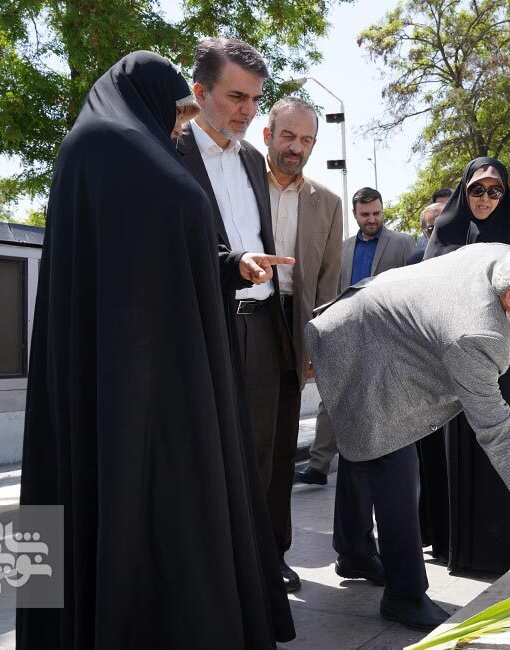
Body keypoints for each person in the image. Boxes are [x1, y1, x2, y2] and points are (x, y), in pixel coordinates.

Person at [17, 51, 295, 649]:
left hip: (141, 358)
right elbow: (156, 242)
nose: (179, 124)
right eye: (178, 111)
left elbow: (159, 251)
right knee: (145, 498)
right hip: (144, 367)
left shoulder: (109, 148)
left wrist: (228, 266)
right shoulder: (116, 149)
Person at [307, 239, 510, 631]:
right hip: (357, 341)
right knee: (393, 461)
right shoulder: (477, 335)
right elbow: (501, 439)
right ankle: (404, 596)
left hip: (376, 325)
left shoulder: (508, 259)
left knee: (364, 443)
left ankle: (354, 552)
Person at [176, 38, 304, 592]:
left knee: (263, 455)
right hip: (204, 330)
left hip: (262, 324)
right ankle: (212, 575)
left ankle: (262, 563)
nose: (248, 111)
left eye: (255, 99)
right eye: (236, 97)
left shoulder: (254, 158)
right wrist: (234, 265)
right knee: (208, 457)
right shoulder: (169, 151)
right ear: (199, 92)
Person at [422, 157, 510, 575]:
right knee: (470, 449)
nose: (486, 198)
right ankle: (469, 547)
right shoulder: (445, 233)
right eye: (477, 189)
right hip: (462, 359)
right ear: (464, 190)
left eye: (495, 190)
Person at [261, 95, 343, 589]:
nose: (297, 147)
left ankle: (273, 554)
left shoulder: (328, 203)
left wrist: (316, 346)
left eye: (307, 139)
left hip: (291, 327)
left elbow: (328, 283)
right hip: (239, 317)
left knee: (278, 448)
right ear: (267, 135)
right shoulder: (241, 181)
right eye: (288, 136)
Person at [296, 187, 415, 486]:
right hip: (346, 334)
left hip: (387, 337)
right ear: (355, 215)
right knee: (331, 398)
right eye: (365, 214)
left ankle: (380, 462)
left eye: (376, 213)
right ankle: (318, 466)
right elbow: (332, 293)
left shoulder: (403, 243)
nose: (371, 219)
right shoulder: (343, 248)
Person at [415, 188, 454, 253]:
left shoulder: (469, 233)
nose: (442, 209)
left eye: (447, 206)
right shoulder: (422, 241)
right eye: (438, 205)